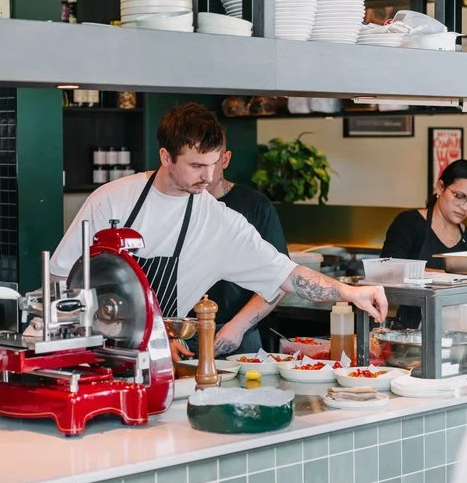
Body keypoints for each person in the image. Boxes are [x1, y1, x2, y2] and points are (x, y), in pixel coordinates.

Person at [50, 102, 387, 360]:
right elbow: (61, 281)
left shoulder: (218, 221)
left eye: (213, 165)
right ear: (166, 157)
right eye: (196, 165)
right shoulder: (111, 201)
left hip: (158, 357)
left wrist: (348, 292)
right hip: (91, 351)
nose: (208, 177)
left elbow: (287, 275)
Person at [190, 139, 289, 356]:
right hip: (180, 334)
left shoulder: (256, 206)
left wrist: (239, 325)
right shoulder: (179, 203)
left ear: (225, 160)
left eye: (211, 164)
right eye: (196, 165)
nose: (204, 175)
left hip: (237, 335)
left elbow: (280, 279)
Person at [381, 158, 467, 328]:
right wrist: (447, 276)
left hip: (458, 334)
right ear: (440, 187)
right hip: (411, 333)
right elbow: (386, 271)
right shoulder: (409, 223)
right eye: (459, 196)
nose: (464, 207)